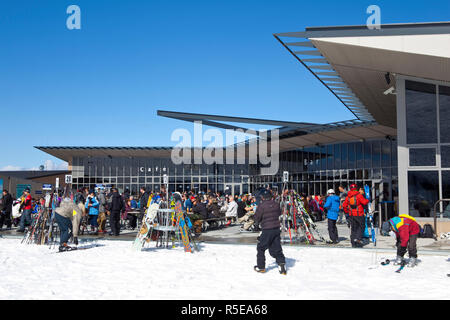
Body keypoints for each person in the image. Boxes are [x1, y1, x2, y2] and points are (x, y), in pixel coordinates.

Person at [253, 189, 286, 275]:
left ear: (262, 197)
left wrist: (256, 223)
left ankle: (261, 267)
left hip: (267, 229)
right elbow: (279, 213)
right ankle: (282, 265)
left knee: (261, 248)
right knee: (277, 248)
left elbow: (257, 217)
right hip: (276, 228)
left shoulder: (261, 205)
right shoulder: (276, 204)